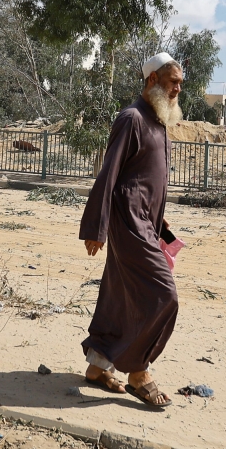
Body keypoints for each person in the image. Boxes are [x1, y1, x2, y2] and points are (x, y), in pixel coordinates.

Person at [79, 52, 184, 408]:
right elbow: (109, 174)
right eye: (173, 82)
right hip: (128, 223)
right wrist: (97, 226)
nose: (177, 89)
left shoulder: (158, 122)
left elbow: (144, 179)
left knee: (118, 294)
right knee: (164, 295)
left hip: (146, 222)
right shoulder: (131, 118)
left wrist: (159, 217)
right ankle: (138, 372)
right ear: (153, 80)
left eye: (180, 84)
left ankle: (97, 366)